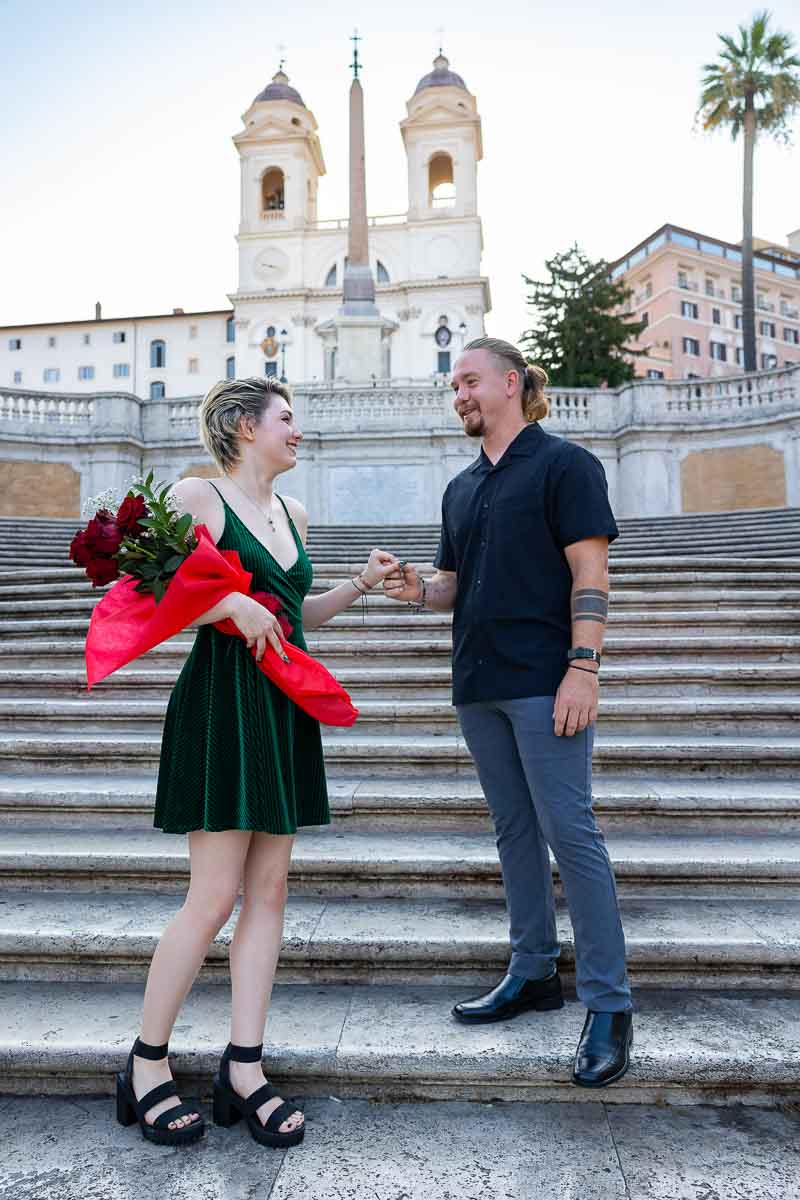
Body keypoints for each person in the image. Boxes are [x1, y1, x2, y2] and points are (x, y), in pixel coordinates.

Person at [115, 376, 399, 1146]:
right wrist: (222, 605)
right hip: (220, 702)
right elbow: (144, 589)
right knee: (210, 898)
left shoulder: (294, 514)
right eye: (287, 419)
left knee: (269, 892)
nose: (298, 431)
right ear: (245, 427)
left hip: (281, 707)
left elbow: (292, 612)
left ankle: (244, 1067)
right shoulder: (199, 497)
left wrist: (360, 584)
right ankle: (145, 1064)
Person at [384, 337, 633, 1088]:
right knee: (513, 830)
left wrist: (582, 670)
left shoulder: (566, 464)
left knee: (572, 832)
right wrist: (415, 592)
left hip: (545, 677)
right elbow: (451, 584)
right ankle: (533, 974)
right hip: (478, 684)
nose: (457, 394)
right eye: (452, 385)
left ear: (512, 382)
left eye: (468, 380)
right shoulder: (460, 486)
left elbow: (591, 572)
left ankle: (610, 1004)